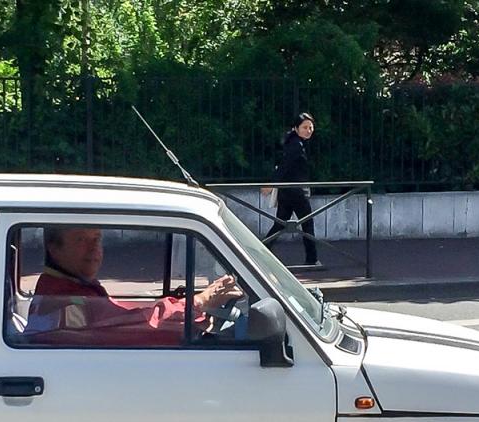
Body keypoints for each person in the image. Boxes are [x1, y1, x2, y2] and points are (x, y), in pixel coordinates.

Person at [24, 227, 243, 345]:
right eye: (82, 240)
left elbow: (120, 313)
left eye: (97, 238)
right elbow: (135, 326)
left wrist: (193, 305)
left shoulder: (71, 288)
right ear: (53, 248)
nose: (94, 249)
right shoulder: (66, 301)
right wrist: (199, 303)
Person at [261, 112, 320, 266]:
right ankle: (312, 260)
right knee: (307, 223)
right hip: (295, 191)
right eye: (305, 127)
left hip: (287, 191)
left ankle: (260, 251)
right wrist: (271, 184)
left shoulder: (294, 142)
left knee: (280, 224)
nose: (309, 130)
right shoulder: (296, 145)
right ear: (296, 128)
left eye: (311, 127)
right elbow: (284, 166)